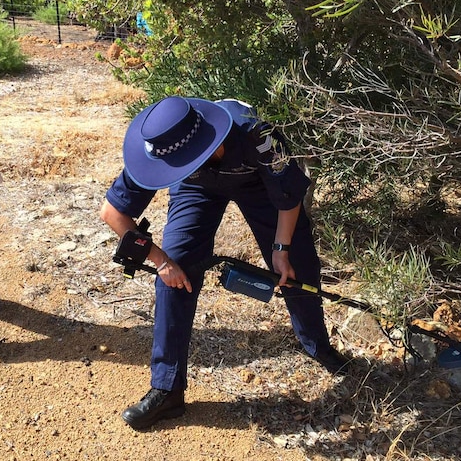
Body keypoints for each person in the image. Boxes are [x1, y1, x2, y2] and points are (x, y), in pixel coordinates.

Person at [100, 96, 351, 429]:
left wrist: (280, 248)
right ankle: (167, 389)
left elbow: (288, 196)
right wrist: (161, 261)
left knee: (297, 266)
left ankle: (316, 344)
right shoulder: (161, 148)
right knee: (176, 271)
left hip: (258, 183)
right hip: (195, 185)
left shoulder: (256, 134)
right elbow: (113, 212)